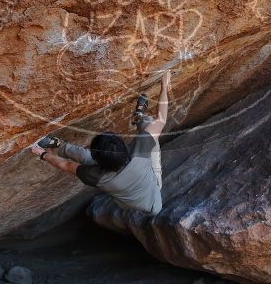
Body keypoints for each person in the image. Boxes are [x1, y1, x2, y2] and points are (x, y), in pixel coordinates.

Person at [30, 71, 170, 215]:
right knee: (150, 138)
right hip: (135, 183)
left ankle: (57, 144)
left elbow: (66, 164)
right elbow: (161, 121)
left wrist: (164, 86)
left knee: (86, 157)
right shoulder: (135, 157)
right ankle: (140, 118)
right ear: (124, 148)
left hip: (149, 188)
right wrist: (42, 154)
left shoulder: (98, 176)